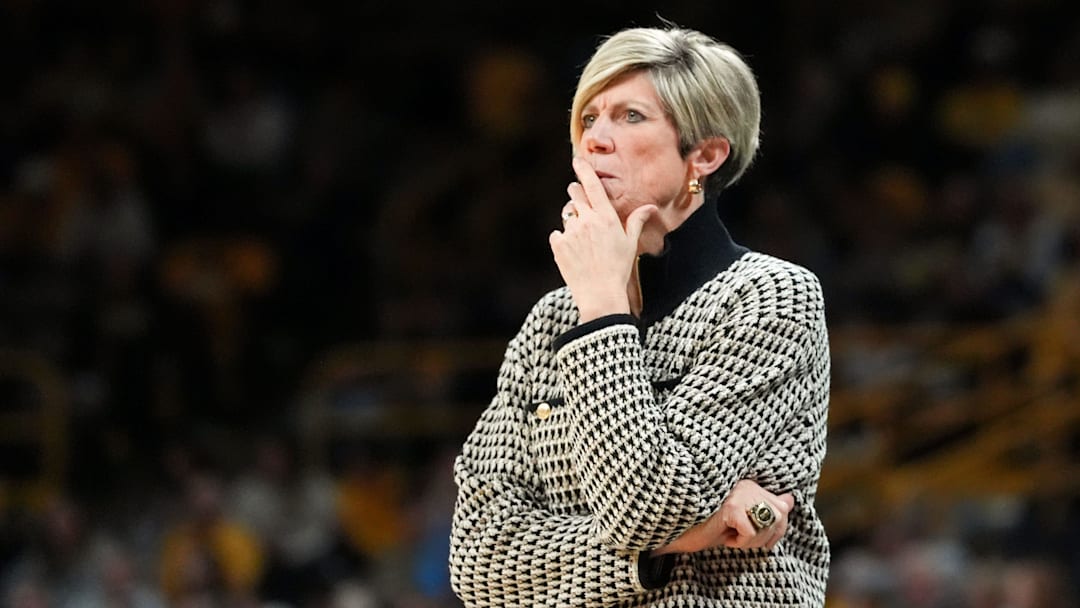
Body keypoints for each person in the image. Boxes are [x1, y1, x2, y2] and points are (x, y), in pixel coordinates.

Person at [449, 23, 831, 607]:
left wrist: (603, 313)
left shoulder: (771, 299)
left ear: (704, 154)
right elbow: (476, 560)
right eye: (588, 118)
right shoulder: (551, 321)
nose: (596, 139)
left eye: (630, 117)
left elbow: (649, 507)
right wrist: (673, 545)